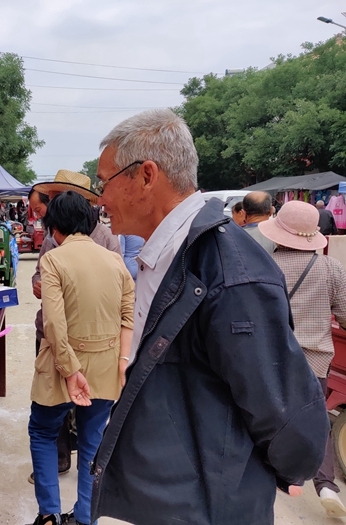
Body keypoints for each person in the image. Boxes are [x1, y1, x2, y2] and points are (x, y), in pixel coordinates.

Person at [91, 109, 329, 525]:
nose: (100, 199)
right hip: (172, 497)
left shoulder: (228, 270)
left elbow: (281, 408)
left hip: (206, 506)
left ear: (147, 176)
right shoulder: (171, 255)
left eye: (104, 181)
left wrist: (293, 464)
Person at [28, 191, 134, 525]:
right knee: (92, 440)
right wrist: (122, 362)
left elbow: (54, 323)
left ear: (54, 227)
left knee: (43, 432)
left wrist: (71, 370)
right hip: (105, 365)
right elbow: (129, 314)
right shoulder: (114, 260)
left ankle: (49, 515)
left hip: (62, 365)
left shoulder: (54, 259)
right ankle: (86, 517)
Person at [259, 200, 346, 518]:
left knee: (267, 419)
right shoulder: (331, 269)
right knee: (318, 423)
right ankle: (325, 485)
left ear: (279, 233)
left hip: (271, 359)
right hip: (315, 362)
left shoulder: (263, 265)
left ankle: (273, 480)